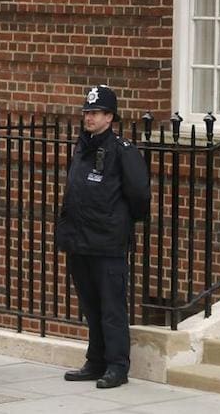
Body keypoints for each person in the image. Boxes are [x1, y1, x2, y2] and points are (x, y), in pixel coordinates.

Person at [56, 85, 151, 389]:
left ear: (110, 117)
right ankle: (95, 361)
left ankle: (117, 366)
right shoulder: (82, 147)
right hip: (79, 240)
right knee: (90, 305)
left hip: (107, 243)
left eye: (95, 113)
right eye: (87, 112)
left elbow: (139, 195)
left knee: (111, 308)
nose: (89, 117)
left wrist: (118, 223)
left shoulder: (123, 150)